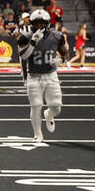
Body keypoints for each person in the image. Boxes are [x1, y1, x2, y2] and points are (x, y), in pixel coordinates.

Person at [18, 8, 67, 142]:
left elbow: (65, 53)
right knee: (36, 105)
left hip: (51, 75)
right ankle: (38, 134)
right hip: (34, 76)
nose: (39, 26)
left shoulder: (57, 36)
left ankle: (49, 115)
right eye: (37, 23)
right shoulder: (25, 37)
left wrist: (61, 60)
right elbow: (24, 56)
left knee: (57, 106)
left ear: (47, 23)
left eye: (42, 23)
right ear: (32, 24)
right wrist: (33, 42)